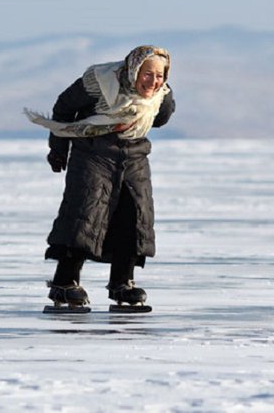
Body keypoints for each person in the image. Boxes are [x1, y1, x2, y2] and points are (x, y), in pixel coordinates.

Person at [24, 45, 175, 309]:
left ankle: (122, 283)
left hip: (134, 156)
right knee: (86, 214)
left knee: (134, 217)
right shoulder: (100, 83)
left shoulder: (160, 94)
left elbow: (160, 120)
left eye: (160, 76)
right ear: (134, 70)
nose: (153, 81)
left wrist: (165, 97)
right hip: (92, 152)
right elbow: (63, 107)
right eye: (147, 74)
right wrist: (58, 149)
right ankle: (65, 282)